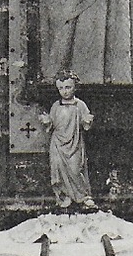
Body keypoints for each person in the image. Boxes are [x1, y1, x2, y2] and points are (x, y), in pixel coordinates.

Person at [39, 73, 96, 210]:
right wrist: (47, 121)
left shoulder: (80, 105)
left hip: (74, 143)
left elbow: (86, 122)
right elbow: (51, 123)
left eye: (68, 87)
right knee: (58, 169)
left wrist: (87, 120)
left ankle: (83, 196)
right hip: (58, 144)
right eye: (61, 88)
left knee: (76, 169)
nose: (64, 91)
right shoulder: (56, 106)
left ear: (75, 87)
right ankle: (64, 196)